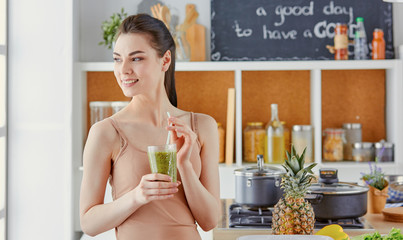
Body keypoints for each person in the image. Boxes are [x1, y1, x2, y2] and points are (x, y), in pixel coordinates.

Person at [80, 14, 220, 239]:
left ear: (165, 60)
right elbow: (89, 223)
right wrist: (137, 196)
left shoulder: (202, 126)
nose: (123, 69)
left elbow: (209, 221)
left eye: (136, 59)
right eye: (117, 59)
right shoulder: (106, 132)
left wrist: (184, 165)